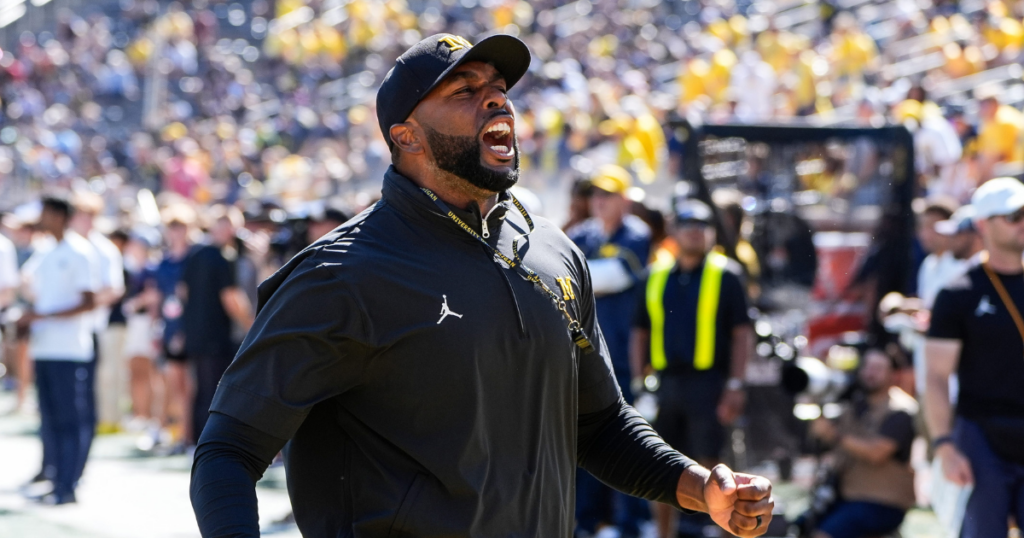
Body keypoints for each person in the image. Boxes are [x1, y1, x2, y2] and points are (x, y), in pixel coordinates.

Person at [190, 34, 774, 538]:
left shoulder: (555, 251)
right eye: (463, 91)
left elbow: (599, 424)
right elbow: (227, 452)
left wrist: (702, 488)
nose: (496, 99)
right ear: (408, 136)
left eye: (497, 87)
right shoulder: (341, 273)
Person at [631, 199, 755, 538]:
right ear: (674, 231)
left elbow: (742, 333)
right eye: (688, 225)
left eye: (702, 225)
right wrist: (639, 380)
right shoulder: (655, 276)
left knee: (712, 462)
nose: (696, 232)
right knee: (660, 465)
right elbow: (639, 331)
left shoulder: (727, 274)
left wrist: (736, 385)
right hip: (666, 384)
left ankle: (723, 530)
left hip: (709, 382)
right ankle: (664, 533)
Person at [926, 177, 1024, 538]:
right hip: (983, 436)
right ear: (983, 224)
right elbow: (936, 377)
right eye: (1013, 215)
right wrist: (944, 445)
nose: (1023, 223)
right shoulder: (957, 292)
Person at [567, 164, 652, 538]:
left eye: (608, 194)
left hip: (621, 356)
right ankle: (587, 522)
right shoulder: (582, 234)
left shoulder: (637, 233)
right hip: (584, 356)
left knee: (626, 439)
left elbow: (613, 275)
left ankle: (630, 523)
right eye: (595, 194)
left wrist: (580, 278)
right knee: (582, 439)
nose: (599, 201)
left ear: (625, 199)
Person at [17, 196, 99, 505]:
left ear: (58, 215)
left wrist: (42, 317)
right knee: (50, 418)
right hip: (45, 347)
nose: (41, 218)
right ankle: (55, 480)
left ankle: (68, 485)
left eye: (45, 213)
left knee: (69, 419)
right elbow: (37, 295)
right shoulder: (45, 251)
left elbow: (89, 301)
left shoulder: (79, 251)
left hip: (70, 350)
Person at [807, 348, 918, 538]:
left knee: (824, 535)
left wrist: (835, 435)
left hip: (883, 502)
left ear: (892, 374)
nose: (870, 373)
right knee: (800, 527)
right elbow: (820, 443)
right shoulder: (851, 407)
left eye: (878, 368)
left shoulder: (901, 410)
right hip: (846, 497)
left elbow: (877, 454)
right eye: (867, 367)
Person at [181, 204, 253, 445]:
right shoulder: (224, 256)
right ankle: (209, 442)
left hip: (196, 334)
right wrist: (251, 325)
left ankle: (195, 440)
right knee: (214, 391)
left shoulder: (196, 253)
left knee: (201, 388)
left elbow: (183, 292)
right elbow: (231, 298)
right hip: (216, 336)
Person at [70, 192, 126, 437]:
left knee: (106, 375)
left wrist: (84, 304)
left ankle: (106, 420)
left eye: (89, 215)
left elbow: (115, 288)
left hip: (98, 324)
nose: (85, 220)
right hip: (70, 327)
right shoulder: (65, 246)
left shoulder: (104, 249)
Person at [155, 203, 196, 449]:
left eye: (180, 226)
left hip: (190, 328)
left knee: (190, 386)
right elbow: (159, 298)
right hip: (170, 327)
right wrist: (156, 328)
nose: (176, 232)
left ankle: (189, 435)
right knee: (172, 383)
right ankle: (178, 433)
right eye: (172, 227)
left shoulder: (194, 260)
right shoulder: (164, 262)